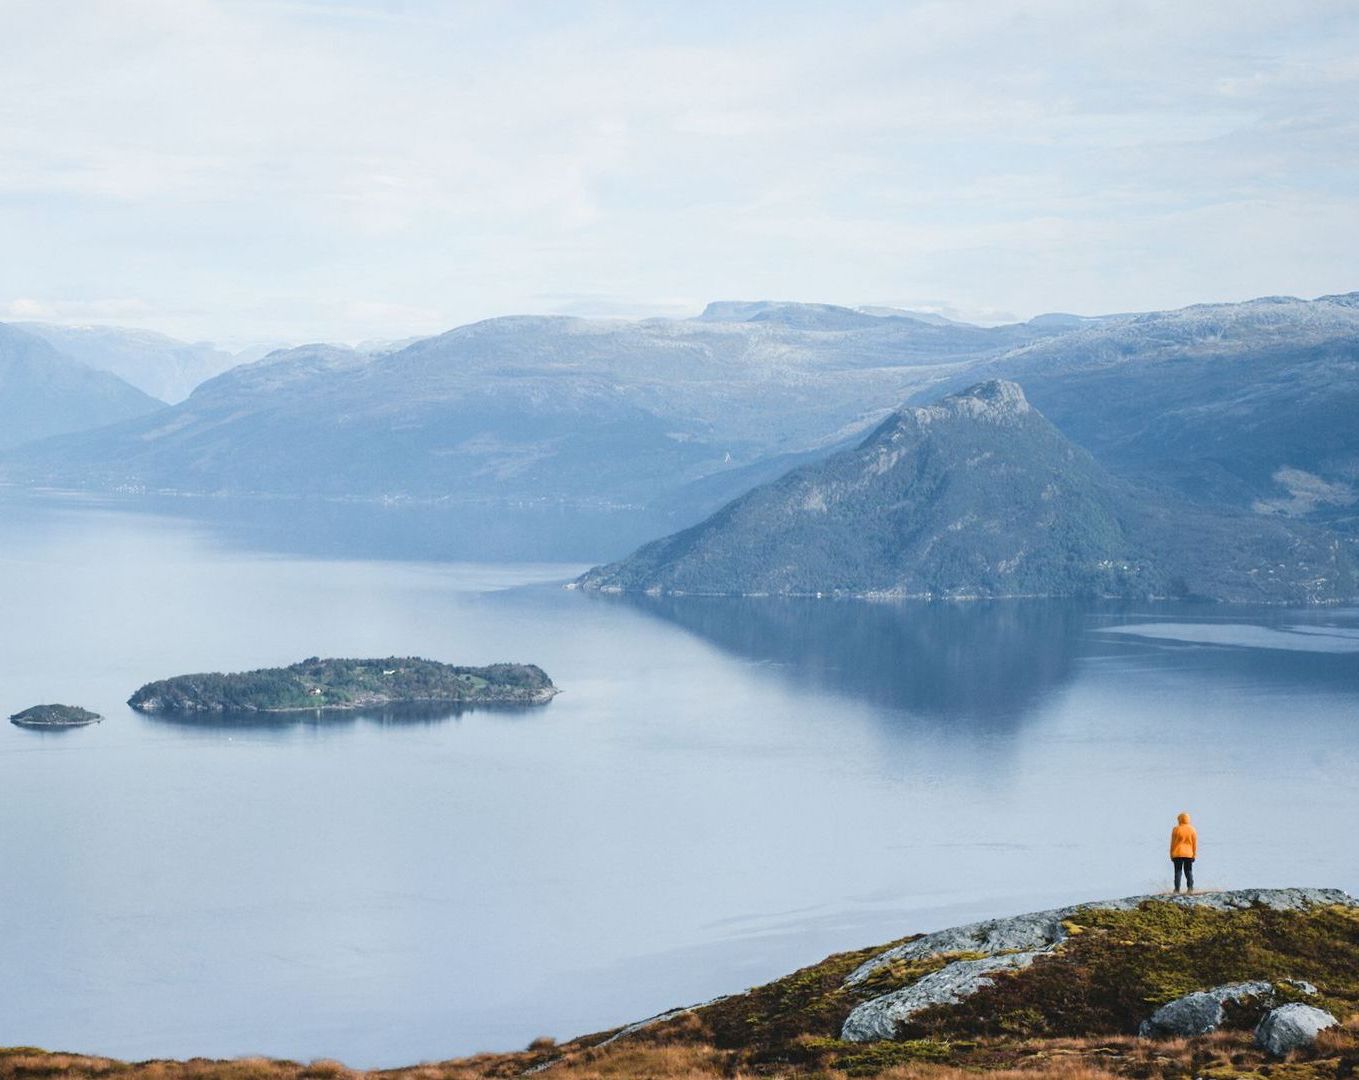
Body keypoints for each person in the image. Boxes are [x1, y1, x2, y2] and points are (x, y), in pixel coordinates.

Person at [1170, 812, 1197, 894]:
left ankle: (1177, 890)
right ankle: (1190, 888)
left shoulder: (1176, 829)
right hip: (1189, 854)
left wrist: (1171, 854)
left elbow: (1172, 843)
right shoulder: (1192, 829)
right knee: (1188, 871)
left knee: (1178, 872)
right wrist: (1194, 854)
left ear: (1180, 819)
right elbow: (1194, 844)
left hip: (1177, 853)